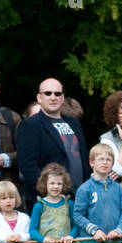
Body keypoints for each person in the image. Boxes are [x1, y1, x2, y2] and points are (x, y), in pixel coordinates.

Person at [16, 78, 86, 208]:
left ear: (63, 98)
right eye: (48, 93)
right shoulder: (30, 125)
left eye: (57, 94)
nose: (53, 97)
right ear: (39, 97)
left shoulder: (73, 123)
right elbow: (27, 166)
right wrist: (51, 193)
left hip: (80, 197)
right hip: (49, 201)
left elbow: (84, 159)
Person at [73, 143, 122, 243]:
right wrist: (95, 231)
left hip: (116, 242)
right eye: (101, 159)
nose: (105, 162)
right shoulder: (84, 189)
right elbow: (78, 215)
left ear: (113, 164)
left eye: (108, 159)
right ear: (91, 163)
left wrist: (118, 230)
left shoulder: (119, 189)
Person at [29, 163, 76, 243]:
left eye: (59, 183)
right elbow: (32, 230)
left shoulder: (69, 204)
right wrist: (43, 239)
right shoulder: (39, 206)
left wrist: (71, 236)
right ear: (44, 184)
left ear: (64, 185)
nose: (56, 186)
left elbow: (76, 226)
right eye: (52, 183)